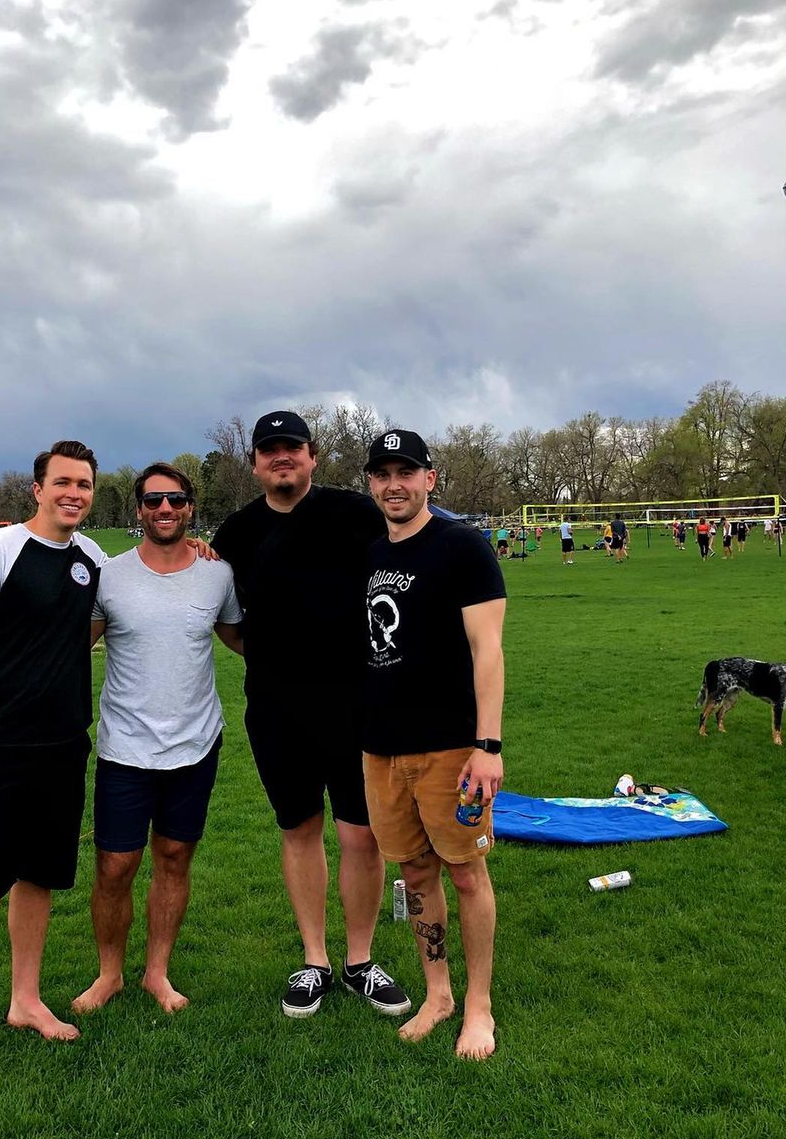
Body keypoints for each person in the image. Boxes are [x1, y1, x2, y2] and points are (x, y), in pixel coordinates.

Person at [212, 411, 410, 1019]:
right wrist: (273, 656)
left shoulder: (355, 513)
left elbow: (411, 560)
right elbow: (225, 619)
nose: (282, 457)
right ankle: (315, 960)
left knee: (361, 835)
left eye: (292, 447)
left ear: (312, 454)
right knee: (299, 829)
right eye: (269, 449)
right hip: (277, 710)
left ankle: (360, 961)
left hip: (357, 705)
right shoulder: (237, 533)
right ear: (254, 463)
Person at [0, 439, 107, 1086]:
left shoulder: (93, 560)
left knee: (38, 878)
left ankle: (25, 1000)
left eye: (83, 484)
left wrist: (196, 552)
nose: (73, 493)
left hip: (61, 749)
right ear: (37, 489)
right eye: (62, 482)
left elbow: (98, 620)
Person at [74, 463, 243, 1016]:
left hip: (196, 744)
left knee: (173, 858)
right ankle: (109, 974)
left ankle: (157, 973)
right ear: (138, 510)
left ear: (190, 507)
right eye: (153, 501)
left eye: (175, 499)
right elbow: (71, 646)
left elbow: (239, 638)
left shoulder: (217, 574)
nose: (164, 509)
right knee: (114, 865)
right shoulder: (110, 575)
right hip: (125, 748)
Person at [361, 430, 506, 1059]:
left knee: (466, 875)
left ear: (430, 479)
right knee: (416, 874)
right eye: (382, 474)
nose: (394, 485)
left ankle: (479, 1007)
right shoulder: (371, 554)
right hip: (382, 748)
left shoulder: (462, 546)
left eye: (406, 472)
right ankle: (438, 993)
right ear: (371, 483)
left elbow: (488, 649)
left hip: (451, 749)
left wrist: (488, 745)